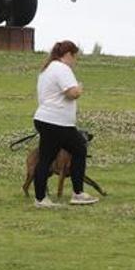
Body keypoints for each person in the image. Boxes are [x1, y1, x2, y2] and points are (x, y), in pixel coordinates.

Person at [32, 40, 98, 207]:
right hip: (57, 121)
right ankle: (78, 193)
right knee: (79, 149)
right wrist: (80, 88)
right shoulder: (62, 68)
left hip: (44, 118)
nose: (75, 62)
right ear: (68, 55)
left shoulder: (47, 69)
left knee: (46, 158)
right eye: (75, 57)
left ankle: (40, 198)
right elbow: (72, 93)